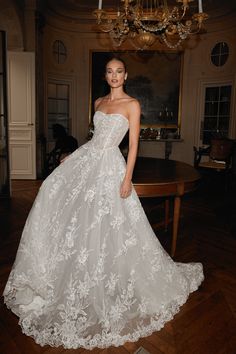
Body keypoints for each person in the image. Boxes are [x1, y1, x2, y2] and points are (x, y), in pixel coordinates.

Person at [3, 57, 204, 350]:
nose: (114, 76)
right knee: (56, 193)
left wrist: (126, 179)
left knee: (109, 221)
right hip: (88, 161)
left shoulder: (132, 105)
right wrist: (73, 155)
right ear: (105, 75)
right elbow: (94, 139)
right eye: (109, 71)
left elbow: (134, 144)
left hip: (111, 166)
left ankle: (112, 278)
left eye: (119, 71)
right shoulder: (98, 102)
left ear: (126, 75)